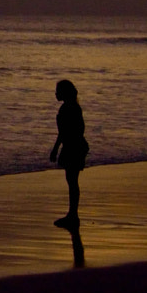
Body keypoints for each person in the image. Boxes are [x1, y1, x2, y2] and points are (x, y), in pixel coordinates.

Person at [50, 79, 88, 228]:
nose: (56, 94)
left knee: (72, 182)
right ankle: (73, 215)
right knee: (72, 181)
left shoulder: (68, 108)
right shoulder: (73, 107)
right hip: (76, 146)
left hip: (73, 147)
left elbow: (64, 132)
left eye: (58, 91)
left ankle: (73, 215)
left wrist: (56, 149)